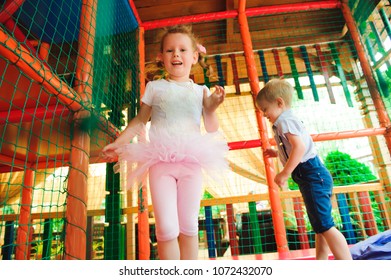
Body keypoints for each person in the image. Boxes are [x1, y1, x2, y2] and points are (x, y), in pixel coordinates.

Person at [101, 25, 229, 260]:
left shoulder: (201, 91)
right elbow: (139, 121)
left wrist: (212, 107)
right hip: (160, 161)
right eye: (169, 50)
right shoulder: (155, 87)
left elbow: (211, 128)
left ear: (194, 57)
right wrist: (118, 144)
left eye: (182, 49)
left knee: (189, 226)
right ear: (161, 58)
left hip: (192, 161)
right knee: (167, 228)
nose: (176, 54)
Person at [255, 78, 352, 260]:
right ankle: (321, 262)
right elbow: (295, 148)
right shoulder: (286, 120)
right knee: (319, 224)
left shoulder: (285, 121)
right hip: (313, 175)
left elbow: (299, 148)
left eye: (265, 109)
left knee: (324, 224)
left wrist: (285, 173)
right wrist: (276, 153)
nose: (264, 114)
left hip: (312, 174)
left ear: (279, 103)